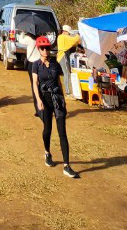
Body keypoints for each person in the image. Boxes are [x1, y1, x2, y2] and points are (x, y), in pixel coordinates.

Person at [32, 35, 79, 178]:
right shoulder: (36, 65)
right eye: (43, 48)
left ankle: (66, 165)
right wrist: (38, 100)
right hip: (45, 99)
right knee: (47, 129)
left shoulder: (54, 64)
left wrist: (63, 99)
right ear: (38, 49)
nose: (46, 51)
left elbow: (58, 81)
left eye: (48, 48)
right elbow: (35, 83)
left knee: (62, 132)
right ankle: (47, 152)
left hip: (57, 99)